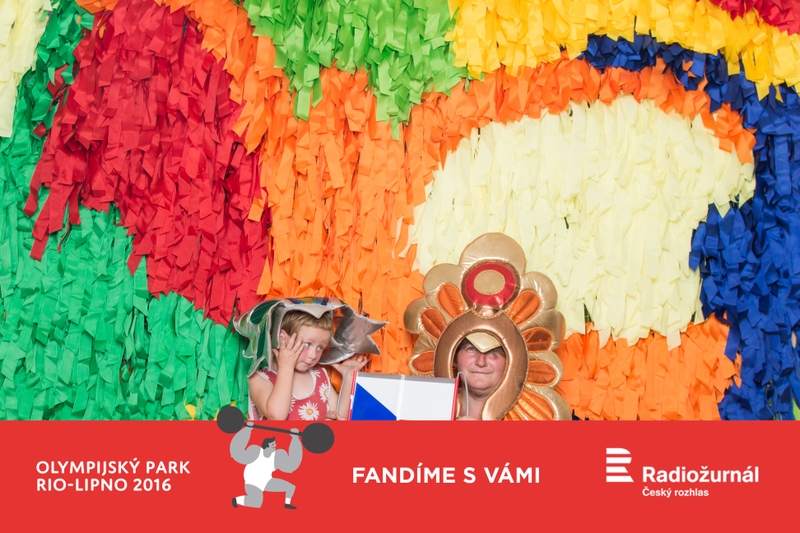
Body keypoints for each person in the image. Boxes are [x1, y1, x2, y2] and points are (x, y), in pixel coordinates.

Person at [248, 310, 368, 421]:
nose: (313, 355)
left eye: (320, 347)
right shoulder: (259, 378)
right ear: (282, 338)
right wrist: (286, 366)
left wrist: (349, 377)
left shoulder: (320, 376)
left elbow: (340, 417)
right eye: (308, 344)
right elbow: (277, 416)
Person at [230, 424, 302, 509]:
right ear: (267, 445)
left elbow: (292, 464)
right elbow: (238, 452)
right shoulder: (256, 452)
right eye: (273, 444)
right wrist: (247, 430)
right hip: (253, 481)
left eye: (275, 444)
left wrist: (295, 438)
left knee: (290, 487)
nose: (275, 445)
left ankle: (287, 504)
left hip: (266, 481)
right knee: (256, 503)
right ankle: (236, 500)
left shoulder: (276, 457)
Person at [454, 333, 507, 420]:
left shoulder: (528, 415)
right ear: (454, 359)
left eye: (492, 351)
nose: (481, 362)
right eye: (471, 349)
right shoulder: (430, 408)